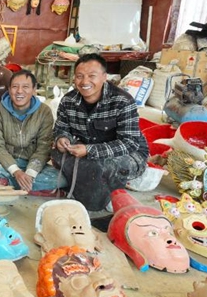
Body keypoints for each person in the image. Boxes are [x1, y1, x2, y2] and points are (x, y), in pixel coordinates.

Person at [52, 53, 148, 211]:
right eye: (79, 76)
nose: (84, 82)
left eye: (92, 76)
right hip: (85, 147)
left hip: (127, 154)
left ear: (104, 77)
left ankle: (103, 199)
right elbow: (61, 127)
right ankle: (87, 181)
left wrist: (89, 150)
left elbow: (129, 143)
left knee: (99, 167)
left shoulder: (122, 101)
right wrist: (62, 138)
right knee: (56, 153)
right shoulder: (68, 100)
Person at [0, 70, 60, 192]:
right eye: (15, 87)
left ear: (34, 89)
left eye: (25, 87)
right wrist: (16, 172)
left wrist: (29, 174)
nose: (19, 91)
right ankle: (30, 185)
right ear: (9, 89)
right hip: (4, 163)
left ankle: (5, 183)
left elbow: (44, 147)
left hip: (31, 162)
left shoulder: (44, 112)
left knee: (61, 178)